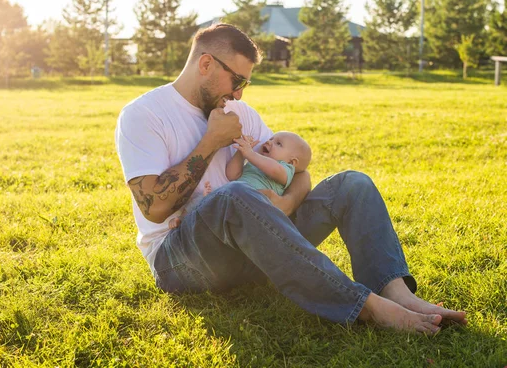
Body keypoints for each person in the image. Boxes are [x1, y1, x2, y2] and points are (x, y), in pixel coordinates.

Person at [115, 23, 466, 334]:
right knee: (234, 196)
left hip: (255, 251)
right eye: (236, 80)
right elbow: (154, 208)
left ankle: (398, 293)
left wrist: (283, 204)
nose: (238, 93)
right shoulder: (143, 115)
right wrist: (211, 142)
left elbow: (299, 173)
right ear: (206, 64)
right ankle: (367, 307)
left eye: (245, 84)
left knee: (352, 184)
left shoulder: (240, 112)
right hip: (182, 261)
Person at [168, 131, 311, 229]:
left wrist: (250, 154)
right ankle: (183, 219)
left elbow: (273, 170)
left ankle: (205, 212)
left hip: (252, 206)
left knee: (215, 211)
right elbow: (232, 175)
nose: (270, 141)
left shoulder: (285, 169)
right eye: (272, 138)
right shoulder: (256, 163)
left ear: (292, 162)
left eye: (278, 144)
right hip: (232, 197)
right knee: (198, 200)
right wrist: (241, 153)